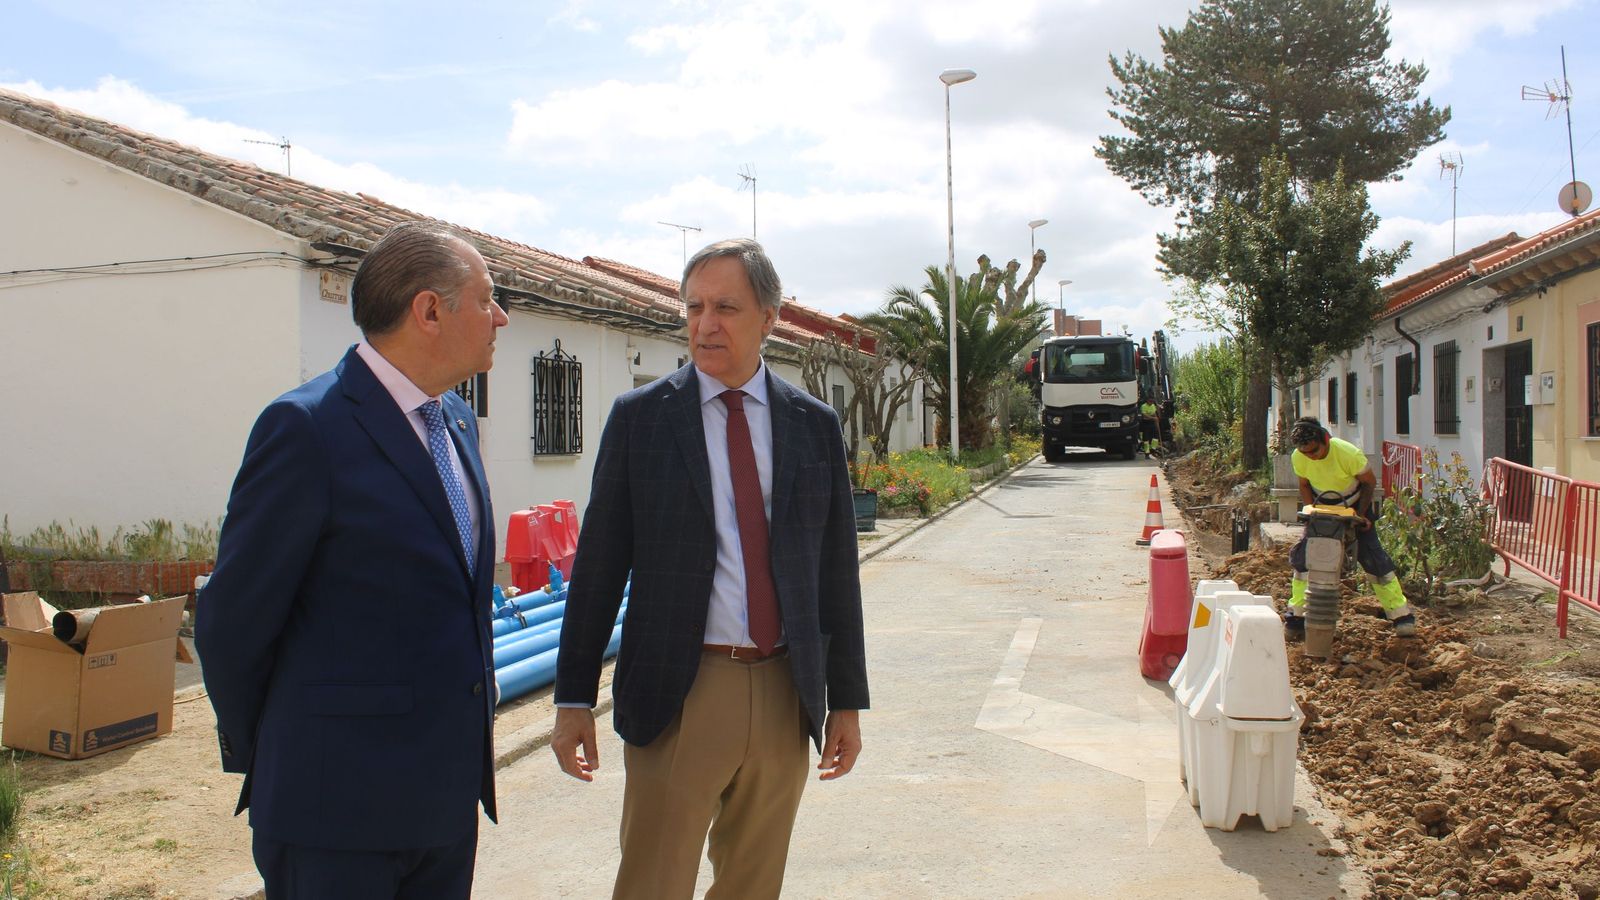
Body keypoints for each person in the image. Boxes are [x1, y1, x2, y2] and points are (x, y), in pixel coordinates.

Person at [196, 220, 509, 898]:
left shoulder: (454, 422)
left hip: (443, 805)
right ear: (429, 311)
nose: (501, 318)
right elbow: (232, 622)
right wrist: (281, 750)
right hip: (333, 812)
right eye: (487, 299)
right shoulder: (307, 428)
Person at [552, 238, 869, 900]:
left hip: (785, 692)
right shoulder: (642, 419)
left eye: (725, 307)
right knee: (653, 883)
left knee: (754, 885)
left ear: (769, 317)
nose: (705, 324)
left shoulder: (812, 425)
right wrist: (573, 696)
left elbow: (835, 571)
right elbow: (599, 565)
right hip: (679, 691)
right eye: (693, 307)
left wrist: (846, 700)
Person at [1282, 416, 1416, 639]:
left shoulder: (1347, 453)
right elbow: (1304, 484)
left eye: (1314, 451)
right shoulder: (1300, 456)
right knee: (1304, 559)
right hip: (1322, 508)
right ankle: (1296, 617)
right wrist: (1310, 511)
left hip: (1354, 504)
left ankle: (1401, 616)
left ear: (1325, 439)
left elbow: (1369, 482)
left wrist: (1360, 515)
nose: (1311, 457)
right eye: (1306, 453)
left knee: (1372, 558)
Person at [1139, 394, 1161, 458]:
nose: (1151, 402)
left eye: (1152, 401)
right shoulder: (1143, 406)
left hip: (1152, 423)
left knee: (1155, 437)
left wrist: (1157, 422)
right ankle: (1147, 453)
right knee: (1146, 439)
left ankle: (1153, 449)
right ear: (1147, 401)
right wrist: (1152, 418)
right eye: (1150, 401)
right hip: (1145, 424)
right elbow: (1144, 416)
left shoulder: (1153, 406)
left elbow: (1154, 414)